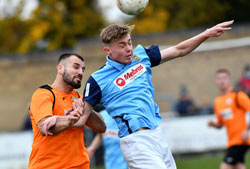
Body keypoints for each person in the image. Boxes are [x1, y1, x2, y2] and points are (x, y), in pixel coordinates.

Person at [56, 21, 233, 169]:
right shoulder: (97, 80)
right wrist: (57, 120)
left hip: (158, 136)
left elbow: (179, 50)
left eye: (130, 43)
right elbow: (81, 118)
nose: (129, 49)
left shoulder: (141, 57)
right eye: (122, 45)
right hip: (135, 142)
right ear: (107, 51)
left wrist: (206, 34)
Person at [28, 53, 106, 169]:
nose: (80, 72)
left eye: (83, 69)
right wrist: (70, 120)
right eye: (76, 67)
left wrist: (87, 108)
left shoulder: (79, 99)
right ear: (60, 68)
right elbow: (45, 127)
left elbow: (101, 128)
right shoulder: (44, 94)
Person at [208, 69, 250, 169]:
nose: (222, 81)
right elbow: (221, 124)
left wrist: (246, 130)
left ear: (229, 80)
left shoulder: (237, 95)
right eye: (219, 78)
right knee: (239, 166)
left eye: (224, 78)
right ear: (216, 81)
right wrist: (214, 124)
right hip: (231, 142)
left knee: (225, 166)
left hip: (240, 141)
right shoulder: (217, 101)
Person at [87, 104, 128, 169]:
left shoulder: (127, 116)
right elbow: (101, 136)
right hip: (110, 164)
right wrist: (92, 148)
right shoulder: (103, 115)